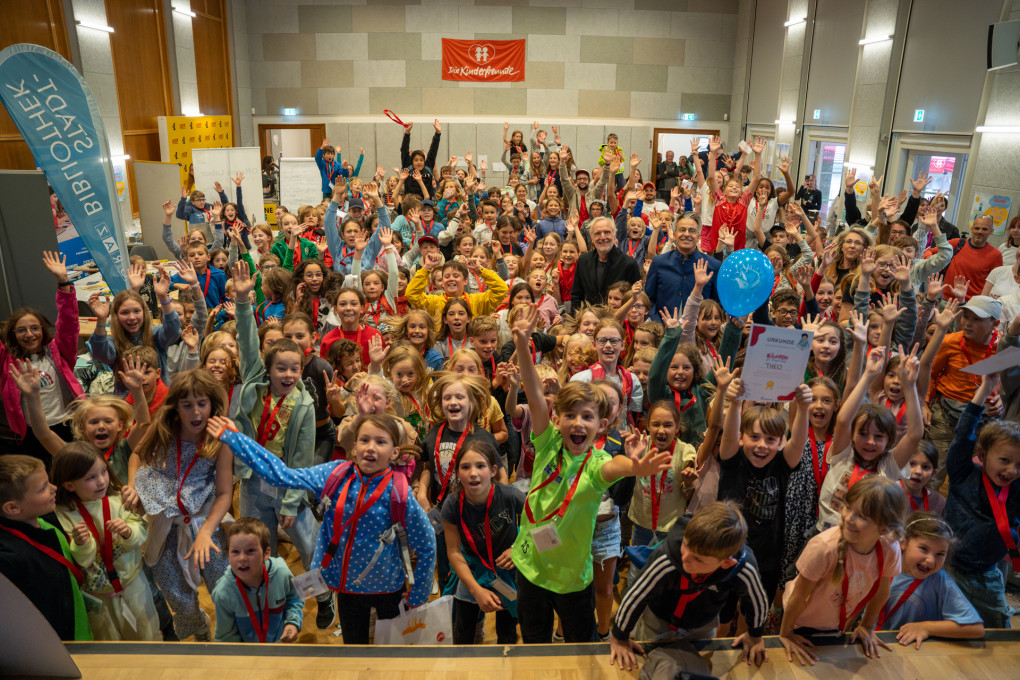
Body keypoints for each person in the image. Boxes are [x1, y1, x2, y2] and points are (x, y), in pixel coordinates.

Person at [509, 303, 671, 644]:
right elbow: (534, 393)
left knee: (580, 649)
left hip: (573, 580)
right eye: (570, 415)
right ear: (557, 420)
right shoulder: (548, 442)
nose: (578, 423)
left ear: (602, 425)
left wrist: (637, 467)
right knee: (535, 646)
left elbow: (616, 467)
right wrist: (523, 344)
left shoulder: (598, 463)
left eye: (587, 417)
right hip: (530, 570)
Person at [206, 413, 436, 645]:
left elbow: (427, 545)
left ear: (394, 452)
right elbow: (281, 475)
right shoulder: (336, 474)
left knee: (391, 654)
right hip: (346, 591)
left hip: (389, 591)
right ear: (354, 447)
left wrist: (418, 596)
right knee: (353, 651)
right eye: (364, 440)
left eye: (380, 442)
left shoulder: (399, 492)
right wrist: (236, 439)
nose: (370, 447)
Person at [123, 369, 234, 641]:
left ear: (212, 405)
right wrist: (133, 485)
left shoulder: (221, 436)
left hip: (205, 519)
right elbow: (136, 454)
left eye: (202, 403)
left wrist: (206, 532)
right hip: (166, 522)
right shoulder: (164, 427)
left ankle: (231, 638)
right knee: (175, 592)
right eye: (187, 405)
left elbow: (224, 493)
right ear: (176, 407)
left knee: (223, 585)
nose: (196, 412)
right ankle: (198, 627)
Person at [609, 502, 769, 671]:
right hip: (658, 619)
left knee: (699, 665)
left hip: (702, 624)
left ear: (726, 563)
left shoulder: (744, 568)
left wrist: (755, 635)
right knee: (652, 665)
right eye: (685, 545)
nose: (685, 557)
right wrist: (620, 637)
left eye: (698, 559)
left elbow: (756, 600)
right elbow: (636, 595)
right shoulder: (667, 557)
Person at [779, 477, 907, 665]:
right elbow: (798, 596)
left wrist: (867, 626)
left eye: (861, 516)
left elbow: (882, 591)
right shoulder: (823, 548)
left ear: (884, 527)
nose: (848, 518)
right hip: (800, 622)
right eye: (848, 507)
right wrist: (786, 633)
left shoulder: (890, 547)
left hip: (836, 624)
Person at [50, 442, 159, 640]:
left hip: (132, 586)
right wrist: (82, 544)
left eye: (103, 471)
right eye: (91, 477)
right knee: (107, 643)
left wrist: (128, 532)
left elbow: (141, 531)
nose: (101, 481)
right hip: (97, 598)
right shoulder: (63, 514)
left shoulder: (119, 498)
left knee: (146, 635)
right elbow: (81, 560)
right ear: (69, 485)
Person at [944, 372, 1020, 629]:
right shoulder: (963, 473)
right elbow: (963, 434)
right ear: (982, 454)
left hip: (988, 575)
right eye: (1004, 460)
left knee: (999, 629)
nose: (1012, 470)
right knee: (946, 626)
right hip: (950, 571)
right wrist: (985, 388)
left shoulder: (1017, 488)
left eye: (1019, 465)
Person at [0, 251, 83, 464]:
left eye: (35, 328)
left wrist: (63, 282)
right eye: (21, 330)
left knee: (71, 472)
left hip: (65, 426)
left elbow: (69, 323)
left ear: (43, 329)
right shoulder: (7, 361)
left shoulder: (57, 352)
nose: (29, 334)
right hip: (30, 434)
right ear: (13, 334)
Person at [0, 454, 92, 641]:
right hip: (53, 643)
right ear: (12, 508)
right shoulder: (8, 559)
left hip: (78, 630)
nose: (54, 488)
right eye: (43, 488)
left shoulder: (45, 522)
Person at [441, 439, 524, 645]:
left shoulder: (511, 495)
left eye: (480, 466)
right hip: (471, 571)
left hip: (508, 572)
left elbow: (536, 528)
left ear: (493, 470)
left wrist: (516, 549)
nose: (473, 473)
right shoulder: (452, 504)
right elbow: (454, 552)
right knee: (462, 633)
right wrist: (476, 591)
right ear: (457, 473)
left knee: (507, 634)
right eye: (465, 467)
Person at [876, 513, 984, 647]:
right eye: (923, 549)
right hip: (874, 643)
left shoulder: (940, 580)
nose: (931, 560)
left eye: (940, 554)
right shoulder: (882, 565)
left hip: (914, 650)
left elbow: (976, 629)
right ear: (903, 543)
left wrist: (926, 627)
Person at [210, 517, 303, 643]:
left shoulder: (281, 572)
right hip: (246, 653)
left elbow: (294, 599)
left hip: (281, 645)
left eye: (250, 551)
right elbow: (226, 638)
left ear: (266, 553)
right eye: (235, 552)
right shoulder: (223, 593)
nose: (242, 558)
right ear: (228, 556)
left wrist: (292, 622)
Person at [645, 214, 720, 319]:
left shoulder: (713, 266)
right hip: (663, 326)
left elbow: (717, 303)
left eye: (692, 231)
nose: (687, 234)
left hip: (698, 327)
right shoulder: (659, 262)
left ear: (698, 236)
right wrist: (658, 324)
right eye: (682, 230)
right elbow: (648, 300)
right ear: (674, 234)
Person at [571, 217, 643, 308]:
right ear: (592, 238)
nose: (603, 237)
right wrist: (577, 316)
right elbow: (577, 296)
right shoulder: (583, 260)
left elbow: (637, 299)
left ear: (614, 235)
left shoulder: (629, 264)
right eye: (597, 233)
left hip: (617, 316)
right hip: (590, 315)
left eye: (607, 232)